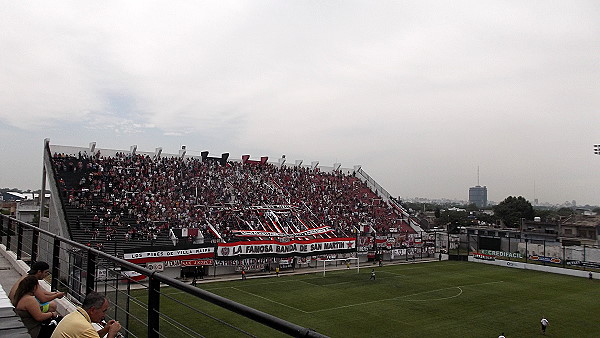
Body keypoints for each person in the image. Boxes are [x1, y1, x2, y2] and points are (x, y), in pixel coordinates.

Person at [51, 291, 121, 338]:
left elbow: (92, 335)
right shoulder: (85, 328)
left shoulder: (76, 315)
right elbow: (88, 333)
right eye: (103, 311)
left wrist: (105, 329)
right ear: (92, 310)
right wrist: (112, 334)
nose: (104, 315)